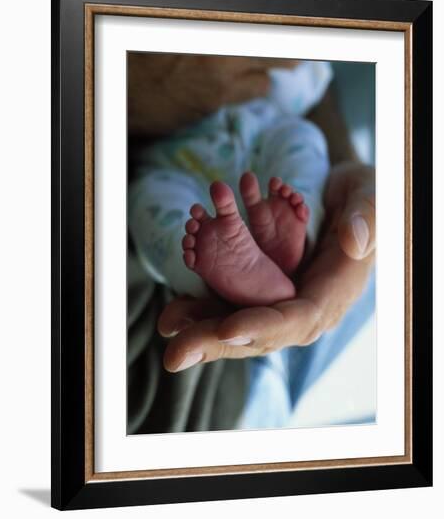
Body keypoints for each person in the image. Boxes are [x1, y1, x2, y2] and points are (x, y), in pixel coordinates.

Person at [127, 53, 375, 434]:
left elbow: (312, 80)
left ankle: (294, 238)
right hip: (172, 156)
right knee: (148, 197)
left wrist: (344, 161)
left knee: (303, 140)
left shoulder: (293, 61)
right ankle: (213, 276)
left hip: (260, 145)